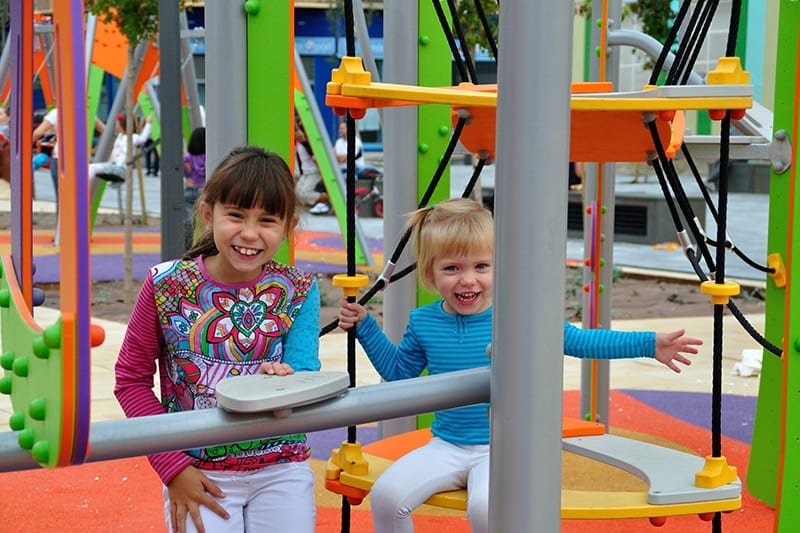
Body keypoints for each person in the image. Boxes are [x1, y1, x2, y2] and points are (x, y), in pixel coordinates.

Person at [338, 197, 702, 533]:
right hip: (446, 444)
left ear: (500, 267)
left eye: (481, 265)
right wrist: (366, 327)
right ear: (431, 274)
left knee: (485, 509)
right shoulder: (424, 321)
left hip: (503, 447)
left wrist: (649, 343)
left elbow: (579, 340)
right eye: (452, 268)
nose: (468, 279)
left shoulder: (519, 316)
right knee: (387, 496)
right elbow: (399, 374)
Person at [114, 146, 321, 533]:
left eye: (267, 220)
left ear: (288, 227)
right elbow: (130, 380)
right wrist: (173, 468)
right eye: (236, 215)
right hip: (196, 469)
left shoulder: (297, 290)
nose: (249, 233)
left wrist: (288, 380)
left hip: (281, 464)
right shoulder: (167, 286)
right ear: (209, 214)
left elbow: (305, 372)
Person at [295, 121, 330, 215]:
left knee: (303, 194)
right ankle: (322, 200)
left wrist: (304, 142)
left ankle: (328, 197)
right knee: (295, 194)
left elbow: (315, 155)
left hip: (314, 171)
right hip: (306, 171)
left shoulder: (310, 141)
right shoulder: (298, 144)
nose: (296, 134)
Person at [183, 126, 206, 248]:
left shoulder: (188, 158)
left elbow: (184, 172)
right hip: (204, 191)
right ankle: (205, 246)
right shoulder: (209, 157)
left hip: (190, 190)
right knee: (206, 222)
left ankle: (186, 248)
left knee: (188, 223)